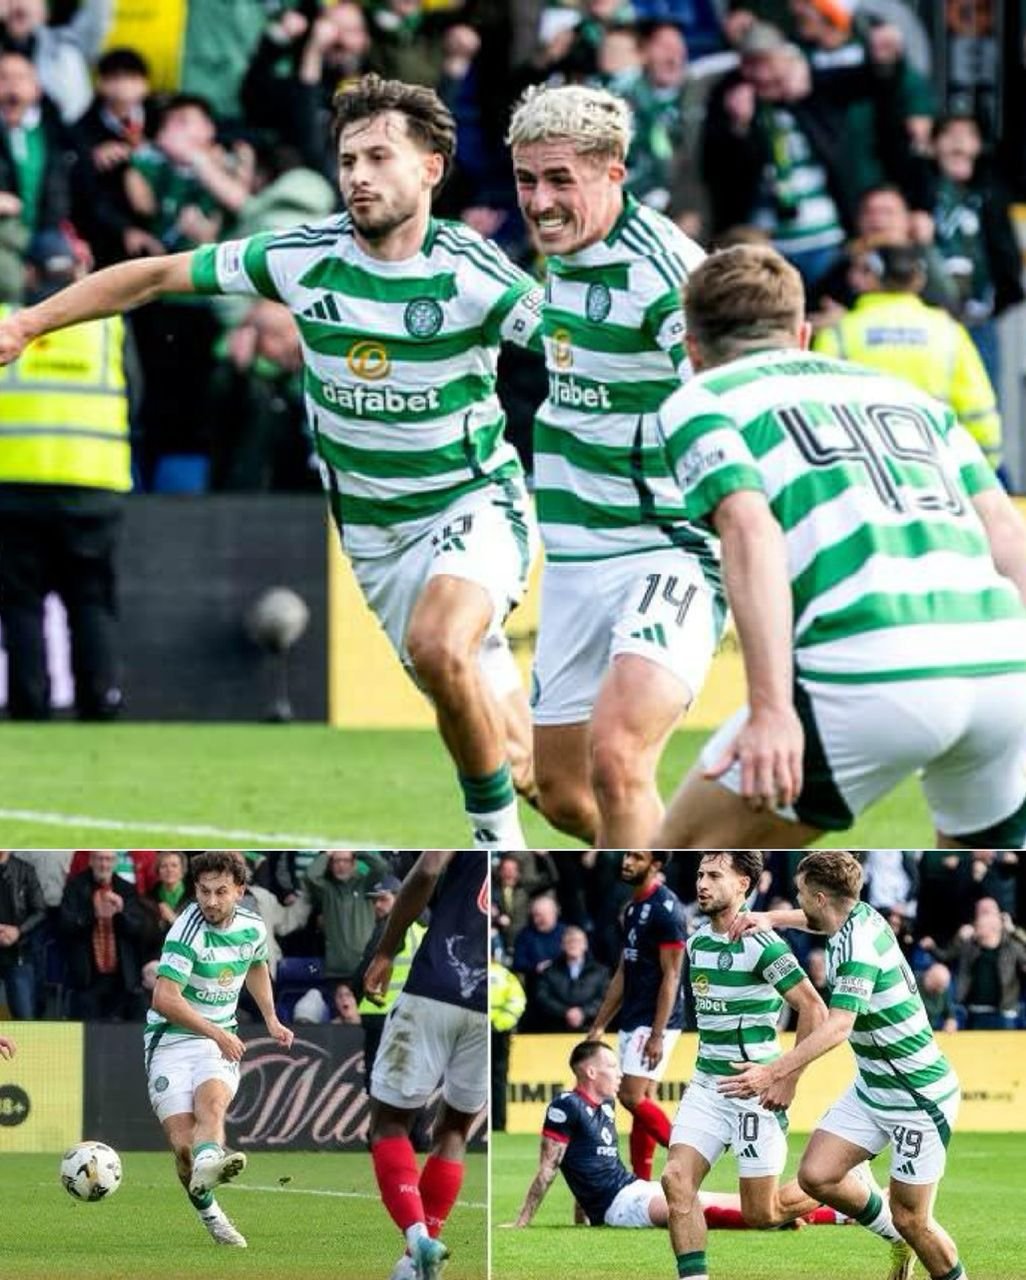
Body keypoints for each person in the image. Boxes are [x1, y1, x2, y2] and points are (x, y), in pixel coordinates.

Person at [0, 73, 544, 849]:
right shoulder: (298, 257)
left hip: (473, 503)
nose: (357, 174)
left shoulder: (473, 272)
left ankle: (496, 851)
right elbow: (154, 277)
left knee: (438, 644)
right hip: (377, 541)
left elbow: (571, 346)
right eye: (348, 158)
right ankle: (567, 809)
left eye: (378, 157)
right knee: (532, 774)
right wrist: (27, 323)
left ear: (430, 167)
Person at [653, 242, 1026, 848]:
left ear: (693, 350)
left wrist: (772, 710)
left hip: (869, 663)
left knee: (679, 858)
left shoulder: (701, 399)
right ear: (801, 334)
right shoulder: (917, 402)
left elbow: (751, 531)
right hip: (1004, 665)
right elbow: (1008, 538)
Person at [508, 83, 721, 849]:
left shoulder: (667, 273)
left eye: (561, 179)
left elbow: (717, 392)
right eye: (527, 180)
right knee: (563, 793)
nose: (540, 201)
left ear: (614, 173)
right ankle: (677, 856)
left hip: (669, 547)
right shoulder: (566, 252)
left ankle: (653, 919)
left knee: (620, 755)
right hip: (571, 557)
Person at [727, 851, 966, 1280]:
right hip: (875, 1087)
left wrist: (775, 1071)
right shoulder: (856, 913)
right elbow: (814, 919)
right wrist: (772, 918)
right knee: (817, 1175)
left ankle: (914, 1241)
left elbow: (838, 1027)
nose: (799, 902)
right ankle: (894, 1235)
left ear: (819, 897)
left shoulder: (857, 947)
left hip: (917, 1096)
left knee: (915, 1219)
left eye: (801, 895)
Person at [661, 852, 837, 1280]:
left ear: (743, 884)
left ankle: (846, 1186)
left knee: (762, 1212)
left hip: (755, 1090)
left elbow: (813, 1009)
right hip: (707, 1086)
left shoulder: (764, 944)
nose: (701, 883)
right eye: (700, 874)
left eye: (714, 876)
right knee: (675, 1181)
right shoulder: (698, 942)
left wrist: (787, 1079)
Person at [0, 227, 131, 721]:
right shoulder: (106, 328)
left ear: (29, 273)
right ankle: (100, 703)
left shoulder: (4, 323)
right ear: (76, 273)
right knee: (91, 601)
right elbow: (134, 397)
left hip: (13, 485)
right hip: (93, 484)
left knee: (21, 604)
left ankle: (30, 707)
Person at [144, 849, 294, 1249]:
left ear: (240, 891)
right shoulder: (185, 931)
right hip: (170, 1040)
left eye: (221, 892)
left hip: (216, 1041)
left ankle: (211, 1160)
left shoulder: (252, 926)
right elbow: (164, 998)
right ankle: (211, 1213)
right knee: (182, 1149)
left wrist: (271, 1018)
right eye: (204, 892)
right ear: (195, 890)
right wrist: (217, 1033)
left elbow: (257, 965)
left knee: (210, 1106)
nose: (211, 901)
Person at [363, 851, 487, 1280]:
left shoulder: (468, 821)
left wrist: (386, 950)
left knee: (389, 1124)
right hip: (492, 1000)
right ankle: (416, 1260)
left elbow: (429, 867)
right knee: (455, 1130)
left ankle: (418, 1239)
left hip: (438, 985)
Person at [510, 1038, 760, 1231]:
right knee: (686, 1210)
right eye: (611, 1066)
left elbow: (589, 1163)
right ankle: (774, 1220)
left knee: (707, 1197)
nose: (619, 1073)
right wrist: (521, 1222)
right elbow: (548, 1169)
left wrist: (582, 1219)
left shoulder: (606, 1105)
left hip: (632, 1187)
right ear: (591, 1073)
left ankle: (780, 1210)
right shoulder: (566, 1106)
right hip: (617, 1206)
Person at [813, 241, 1004, 474]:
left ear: (871, 277)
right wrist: (985, 468)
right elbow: (977, 407)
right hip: (939, 471)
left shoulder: (838, 333)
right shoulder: (948, 331)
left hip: (865, 475)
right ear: (918, 280)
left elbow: (818, 414)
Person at [588, 850, 684, 1182]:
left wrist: (657, 1033)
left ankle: (685, 1156)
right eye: (627, 855)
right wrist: (599, 1023)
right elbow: (623, 971)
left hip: (656, 1020)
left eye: (637, 857)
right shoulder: (632, 908)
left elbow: (672, 976)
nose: (627, 861)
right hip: (634, 1015)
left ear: (655, 865)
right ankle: (641, 1182)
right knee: (643, 1100)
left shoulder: (666, 911)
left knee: (629, 1096)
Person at [60, 849, 146, 1019]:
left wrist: (121, 912)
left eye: (108, 859)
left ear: (114, 862)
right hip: (88, 977)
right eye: (99, 859)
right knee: (89, 1034)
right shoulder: (75, 886)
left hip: (122, 978)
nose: (104, 864)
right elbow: (65, 926)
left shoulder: (126, 888)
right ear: (91, 861)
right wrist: (93, 914)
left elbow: (138, 929)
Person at [0, 850, 44, 1018]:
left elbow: (40, 911)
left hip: (18, 953)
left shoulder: (25, 871)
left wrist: (18, 931)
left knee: (24, 1018)